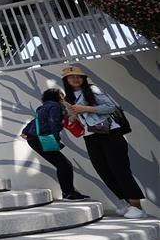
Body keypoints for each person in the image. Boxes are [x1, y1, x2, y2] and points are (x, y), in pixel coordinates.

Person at [62, 65, 146, 219]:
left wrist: (85, 108)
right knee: (103, 170)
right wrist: (73, 115)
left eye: (78, 76)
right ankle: (128, 203)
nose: (75, 79)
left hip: (110, 133)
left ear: (83, 78)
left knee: (120, 169)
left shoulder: (93, 90)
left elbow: (110, 107)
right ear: (66, 80)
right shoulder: (69, 98)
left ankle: (137, 206)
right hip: (91, 136)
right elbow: (81, 118)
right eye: (71, 77)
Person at [20, 88, 89, 201]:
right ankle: (68, 193)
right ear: (57, 96)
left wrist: (25, 131)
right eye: (61, 94)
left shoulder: (44, 107)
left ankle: (68, 192)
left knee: (62, 164)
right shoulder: (55, 106)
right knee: (64, 164)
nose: (63, 96)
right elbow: (53, 122)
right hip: (43, 138)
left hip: (35, 139)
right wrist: (55, 139)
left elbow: (35, 120)